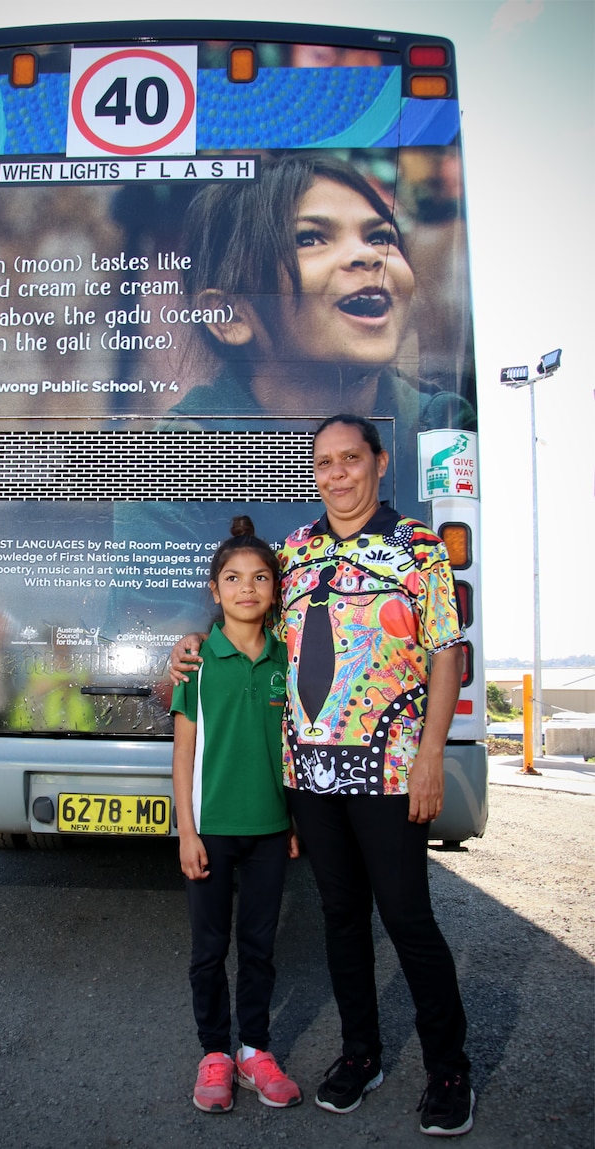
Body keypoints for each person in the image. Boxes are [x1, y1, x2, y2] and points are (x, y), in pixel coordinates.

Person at [170, 415, 475, 1137]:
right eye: (324, 462)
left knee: (405, 917)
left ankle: (449, 1068)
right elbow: (245, 615)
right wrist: (189, 640)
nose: (337, 473)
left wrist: (432, 751)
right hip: (311, 778)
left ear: (379, 461)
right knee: (342, 921)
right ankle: (361, 1053)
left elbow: (445, 652)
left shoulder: (420, 548)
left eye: (350, 458)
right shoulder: (297, 552)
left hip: (393, 770)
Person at [166, 154, 475, 498]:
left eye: (379, 237)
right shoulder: (178, 455)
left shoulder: (441, 426)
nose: (368, 255)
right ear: (230, 315)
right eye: (310, 239)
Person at [170, 516, 302, 1115]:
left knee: (259, 946)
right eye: (232, 578)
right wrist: (187, 832)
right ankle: (214, 1054)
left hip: (271, 831)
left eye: (259, 578)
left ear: (275, 589)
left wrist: (295, 822)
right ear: (215, 590)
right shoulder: (196, 665)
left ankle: (254, 1051)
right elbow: (184, 754)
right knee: (208, 948)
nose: (246, 588)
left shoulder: (288, 663)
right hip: (212, 833)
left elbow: (299, 746)